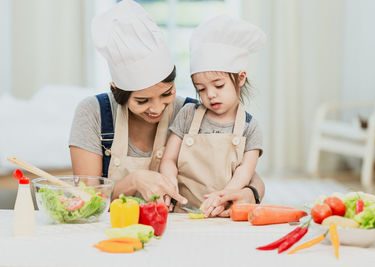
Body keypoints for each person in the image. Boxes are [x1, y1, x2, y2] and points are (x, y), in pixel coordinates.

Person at [69, 0, 264, 212]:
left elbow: (248, 175)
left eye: (166, 93)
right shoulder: (94, 113)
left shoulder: (191, 113)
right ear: (116, 90)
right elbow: (87, 198)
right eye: (142, 101)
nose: (157, 109)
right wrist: (134, 181)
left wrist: (247, 194)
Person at [160, 15, 266, 217]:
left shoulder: (250, 127)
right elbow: (169, 159)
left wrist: (226, 195)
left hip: (224, 211)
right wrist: (169, 180)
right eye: (201, 89)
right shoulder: (187, 115)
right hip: (182, 211)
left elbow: (246, 170)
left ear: (241, 78)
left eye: (218, 85)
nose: (210, 95)